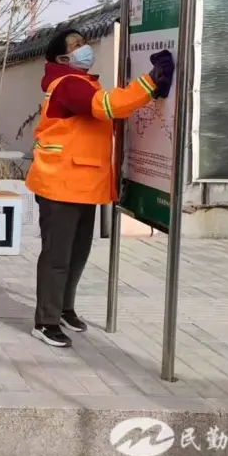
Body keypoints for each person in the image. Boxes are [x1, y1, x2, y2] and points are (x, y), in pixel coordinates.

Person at [25, 30, 174, 348]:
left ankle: (64, 309)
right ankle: (45, 322)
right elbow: (108, 106)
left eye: (84, 42)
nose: (85, 48)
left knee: (77, 254)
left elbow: (110, 108)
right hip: (59, 185)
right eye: (77, 45)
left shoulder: (83, 82)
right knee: (57, 257)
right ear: (62, 57)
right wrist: (150, 81)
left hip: (82, 184)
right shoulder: (67, 84)